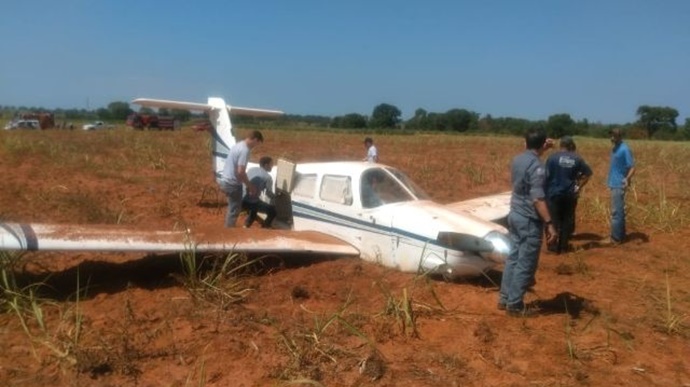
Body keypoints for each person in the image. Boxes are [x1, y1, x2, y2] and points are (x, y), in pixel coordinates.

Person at [498, 128, 557, 317]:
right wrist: (549, 223)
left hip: (514, 215)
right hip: (529, 219)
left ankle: (505, 298)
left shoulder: (518, 160)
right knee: (526, 262)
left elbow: (529, 154)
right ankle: (515, 305)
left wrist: (541, 148)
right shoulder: (537, 167)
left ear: (525, 143)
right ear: (540, 145)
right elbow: (538, 199)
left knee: (513, 258)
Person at [544, 136, 592, 254]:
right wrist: (579, 186)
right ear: (571, 146)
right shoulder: (577, 158)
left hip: (554, 193)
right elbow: (588, 173)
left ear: (561, 145)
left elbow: (546, 176)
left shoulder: (552, 158)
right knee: (566, 221)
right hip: (570, 194)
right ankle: (564, 247)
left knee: (553, 220)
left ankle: (552, 247)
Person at [218, 130, 264, 227]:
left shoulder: (238, 145)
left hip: (225, 180)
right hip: (232, 184)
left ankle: (228, 228)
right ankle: (228, 233)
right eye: (257, 143)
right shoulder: (245, 150)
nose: (255, 146)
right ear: (255, 139)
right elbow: (241, 171)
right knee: (234, 209)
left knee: (232, 207)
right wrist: (250, 186)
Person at [607, 128, 635, 244]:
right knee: (619, 211)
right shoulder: (615, 148)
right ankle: (621, 235)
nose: (612, 138)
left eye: (615, 136)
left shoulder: (624, 149)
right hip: (614, 182)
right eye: (612, 135)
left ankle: (616, 238)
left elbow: (632, 167)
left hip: (619, 183)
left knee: (616, 212)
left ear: (620, 137)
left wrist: (627, 179)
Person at [242, 156, 277, 228]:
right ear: (266, 165)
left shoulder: (251, 169)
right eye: (271, 165)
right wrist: (276, 196)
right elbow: (268, 194)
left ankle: (246, 225)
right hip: (249, 201)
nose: (272, 167)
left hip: (240, 198)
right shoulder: (268, 177)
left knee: (255, 206)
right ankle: (264, 228)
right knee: (272, 211)